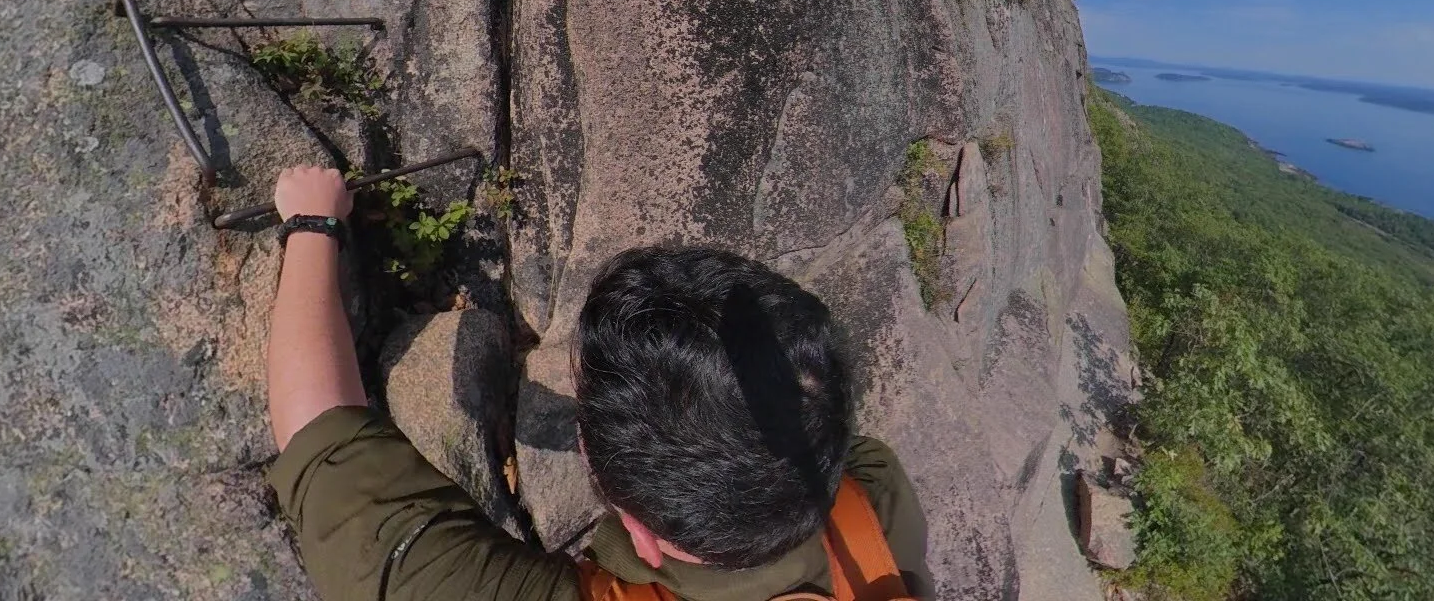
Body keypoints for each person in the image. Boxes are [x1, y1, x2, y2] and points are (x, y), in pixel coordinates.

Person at [264, 165, 933, 601]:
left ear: (639, 534)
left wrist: (311, 221)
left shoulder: (878, 494)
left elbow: (322, 440)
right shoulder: (872, 503)